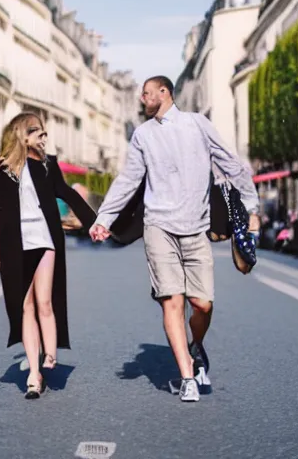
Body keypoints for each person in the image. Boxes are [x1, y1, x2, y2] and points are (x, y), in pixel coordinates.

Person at [90, 76, 260, 403]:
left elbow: (231, 163)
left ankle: (196, 347)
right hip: (158, 227)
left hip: (196, 227)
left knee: (203, 304)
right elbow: (128, 180)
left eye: (146, 94)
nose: (142, 100)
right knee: (172, 300)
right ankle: (187, 377)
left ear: (164, 92)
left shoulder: (198, 125)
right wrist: (104, 218)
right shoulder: (142, 135)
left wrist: (251, 205)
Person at [0, 112, 96, 399]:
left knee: (44, 301)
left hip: (45, 240)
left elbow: (68, 195)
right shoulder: (1, 175)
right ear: (24, 136)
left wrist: (94, 223)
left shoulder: (49, 167)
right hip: (14, 245)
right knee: (25, 308)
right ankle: (34, 375)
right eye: (40, 133)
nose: (45, 138)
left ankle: (50, 353)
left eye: (45, 134)